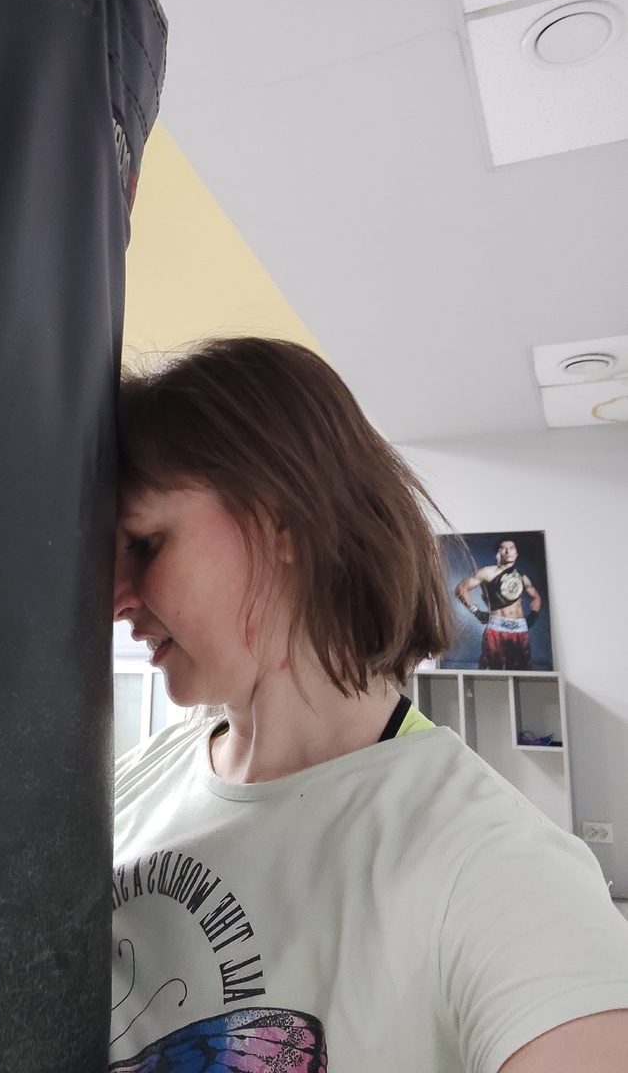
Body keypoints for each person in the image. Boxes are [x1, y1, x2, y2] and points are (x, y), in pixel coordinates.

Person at [110, 337, 628, 1073]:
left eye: (145, 543)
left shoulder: (494, 868)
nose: (116, 599)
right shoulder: (131, 780)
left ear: (282, 523)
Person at [454, 539, 542, 671]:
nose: (508, 551)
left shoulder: (521, 578)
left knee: (522, 673)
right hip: (497, 628)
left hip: (520, 630)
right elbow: (460, 589)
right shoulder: (487, 572)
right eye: (503, 548)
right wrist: (476, 611)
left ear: (516, 553)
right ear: (498, 553)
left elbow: (536, 597)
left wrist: (533, 616)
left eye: (511, 548)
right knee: (492, 670)